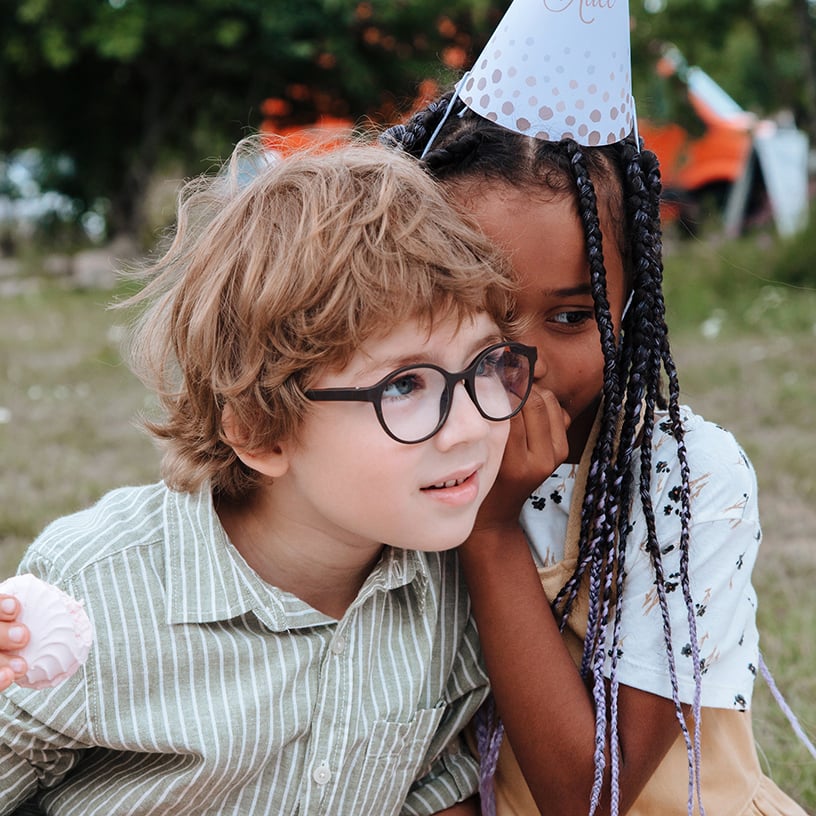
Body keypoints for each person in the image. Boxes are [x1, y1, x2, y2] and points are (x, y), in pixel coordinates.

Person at [0, 141, 544, 816]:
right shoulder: (97, 591)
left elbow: (432, 787)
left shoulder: (446, 594)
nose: (467, 425)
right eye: (405, 384)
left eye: (486, 362)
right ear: (260, 430)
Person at [380, 70, 811, 816]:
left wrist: (489, 532)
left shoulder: (685, 478)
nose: (528, 362)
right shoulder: (391, 459)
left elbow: (591, 797)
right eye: (485, 312)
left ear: (631, 304)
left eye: (574, 317)